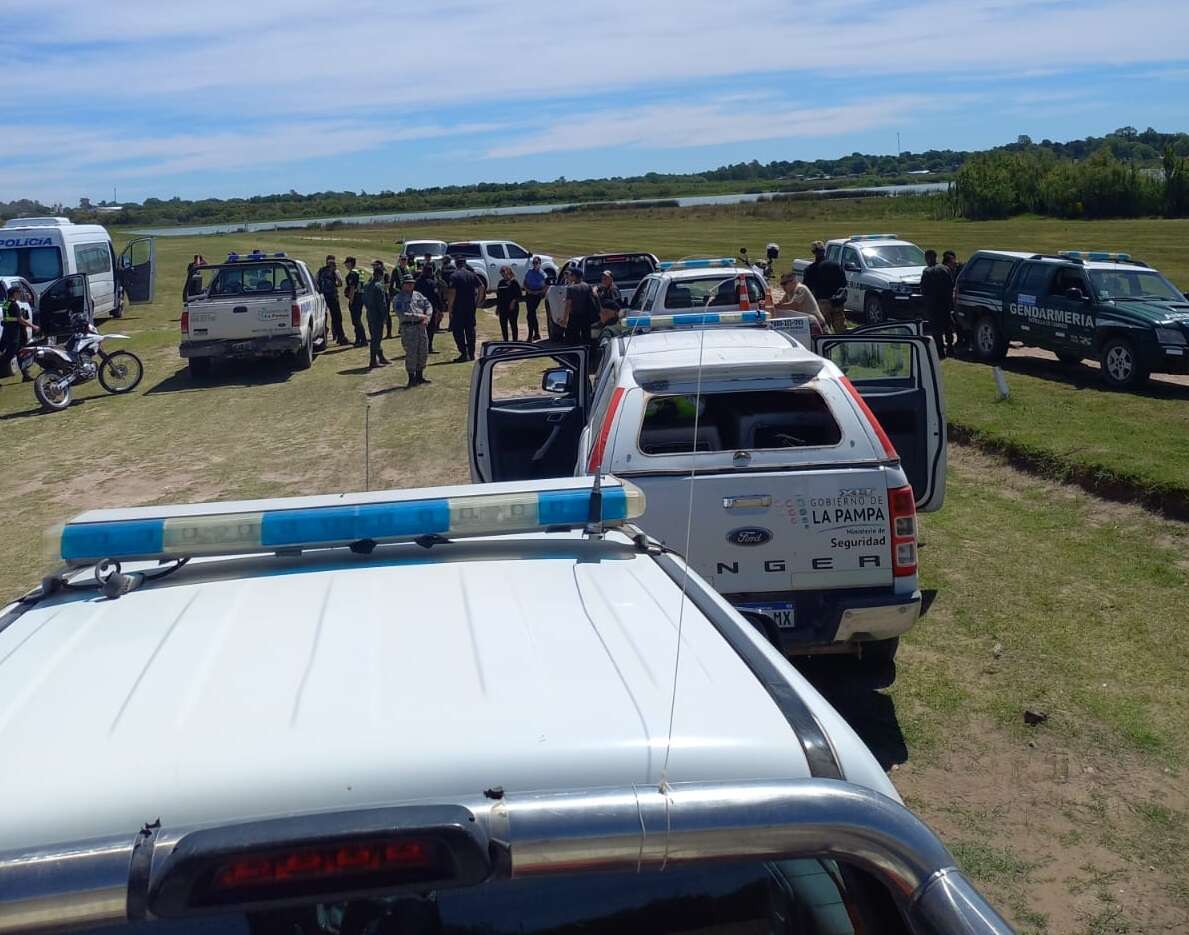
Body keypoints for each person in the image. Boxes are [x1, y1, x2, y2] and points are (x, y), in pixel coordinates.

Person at [393, 273, 433, 387]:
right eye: (408, 283)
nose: (410, 285)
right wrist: (419, 316)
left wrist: (427, 318)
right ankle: (411, 378)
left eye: (412, 283)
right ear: (403, 285)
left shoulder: (418, 295)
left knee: (423, 351)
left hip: (421, 327)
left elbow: (428, 305)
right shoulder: (398, 298)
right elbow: (402, 314)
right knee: (411, 353)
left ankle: (420, 376)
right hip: (408, 329)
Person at [802, 241, 848, 333]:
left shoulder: (810, 269)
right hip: (837, 302)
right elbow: (843, 283)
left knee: (824, 331)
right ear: (824, 251)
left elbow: (807, 288)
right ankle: (843, 342)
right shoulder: (836, 265)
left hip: (821, 303)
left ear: (813, 252)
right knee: (841, 330)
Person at [446, 255, 483, 362]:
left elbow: (452, 293)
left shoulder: (454, 276)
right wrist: (478, 302)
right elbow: (481, 287)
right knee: (470, 330)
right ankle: (471, 353)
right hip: (470, 307)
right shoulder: (472, 275)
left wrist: (450, 308)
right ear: (465, 263)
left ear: (456, 264)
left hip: (458, 307)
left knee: (458, 331)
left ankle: (463, 353)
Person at [920, 249, 955, 359]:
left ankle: (940, 351)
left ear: (928, 258)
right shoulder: (945, 269)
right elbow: (951, 285)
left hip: (933, 305)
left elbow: (924, 289)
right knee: (947, 326)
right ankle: (950, 347)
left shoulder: (927, 272)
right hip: (945, 303)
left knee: (936, 329)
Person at [0, 283, 36, 384]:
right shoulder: (14, 305)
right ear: (14, 294)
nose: (20, 295)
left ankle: (26, 375)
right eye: (19, 293)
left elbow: (8, 318)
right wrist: (33, 326)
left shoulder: (6, 304)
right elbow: (20, 320)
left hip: (8, 332)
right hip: (14, 334)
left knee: (20, 353)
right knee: (8, 356)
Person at [363, 260, 391, 370]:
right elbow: (382, 304)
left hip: (370, 314)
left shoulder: (366, 286)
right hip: (377, 315)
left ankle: (381, 357)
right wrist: (385, 316)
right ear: (380, 275)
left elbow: (364, 300)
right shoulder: (379, 287)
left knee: (374, 336)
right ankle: (373, 361)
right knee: (376, 338)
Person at [315, 255, 347, 346]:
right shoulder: (335, 271)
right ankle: (340, 337)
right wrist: (334, 285)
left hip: (323, 297)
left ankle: (323, 337)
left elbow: (316, 282)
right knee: (337, 317)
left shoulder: (320, 271)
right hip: (332, 297)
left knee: (323, 317)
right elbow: (340, 282)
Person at [562, 266, 598, 346]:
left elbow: (568, 304)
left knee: (572, 339)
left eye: (571, 275)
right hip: (586, 316)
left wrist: (565, 319)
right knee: (586, 337)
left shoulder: (571, 288)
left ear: (574, 276)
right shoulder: (587, 286)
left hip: (574, 316)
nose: (570, 276)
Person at [343, 257, 368, 347]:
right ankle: (358, 340)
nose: (345, 265)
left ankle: (363, 340)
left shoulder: (352, 274)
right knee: (357, 320)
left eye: (346, 263)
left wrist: (351, 300)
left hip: (355, 298)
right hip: (360, 297)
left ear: (350, 263)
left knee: (356, 321)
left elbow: (352, 288)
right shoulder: (359, 272)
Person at [522, 256, 547, 342]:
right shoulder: (529, 272)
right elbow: (524, 282)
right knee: (531, 314)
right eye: (534, 263)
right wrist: (527, 289)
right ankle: (536, 334)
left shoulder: (542, 274)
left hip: (537, 295)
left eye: (536, 263)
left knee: (530, 314)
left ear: (540, 263)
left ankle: (530, 336)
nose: (535, 264)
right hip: (529, 293)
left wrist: (538, 292)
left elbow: (545, 287)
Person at [495, 265, 523, 341]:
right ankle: (505, 341)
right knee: (503, 325)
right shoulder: (501, 283)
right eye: (501, 273)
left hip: (512, 308)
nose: (503, 275)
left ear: (508, 272)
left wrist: (513, 301)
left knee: (513, 324)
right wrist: (497, 308)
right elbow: (499, 297)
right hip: (502, 308)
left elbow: (519, 296)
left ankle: (515, 341)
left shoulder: (514, 282)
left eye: (504, 272)